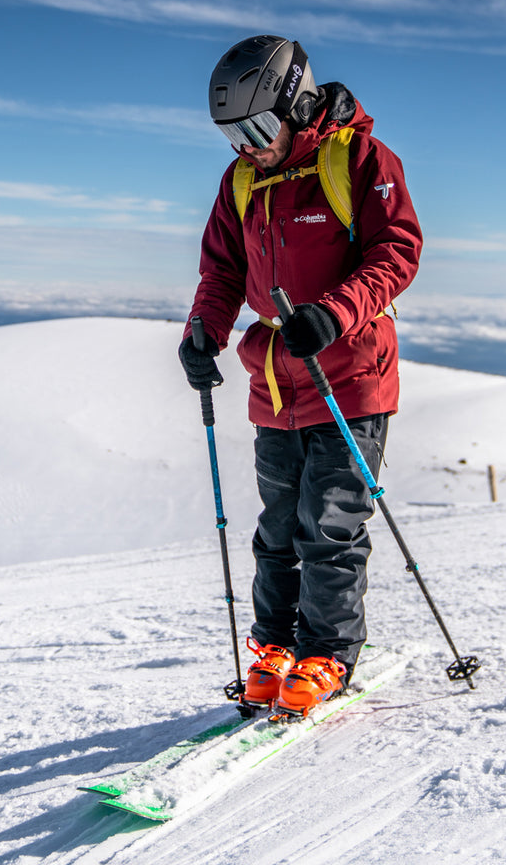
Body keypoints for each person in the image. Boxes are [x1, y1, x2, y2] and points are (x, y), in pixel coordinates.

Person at [178, 35, 422, 717]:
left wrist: (336, 312)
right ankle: (272, 647)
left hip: (350, 370)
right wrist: (205, 333)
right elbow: (222, 271)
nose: (246, 147)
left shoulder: (360, 159)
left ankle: (326, 654)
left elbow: (398, 250)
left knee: (331, 523)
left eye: (257, 129)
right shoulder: (242, 182)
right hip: (276, 377)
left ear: (296, 105)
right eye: (232, 136)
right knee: (278, 525)